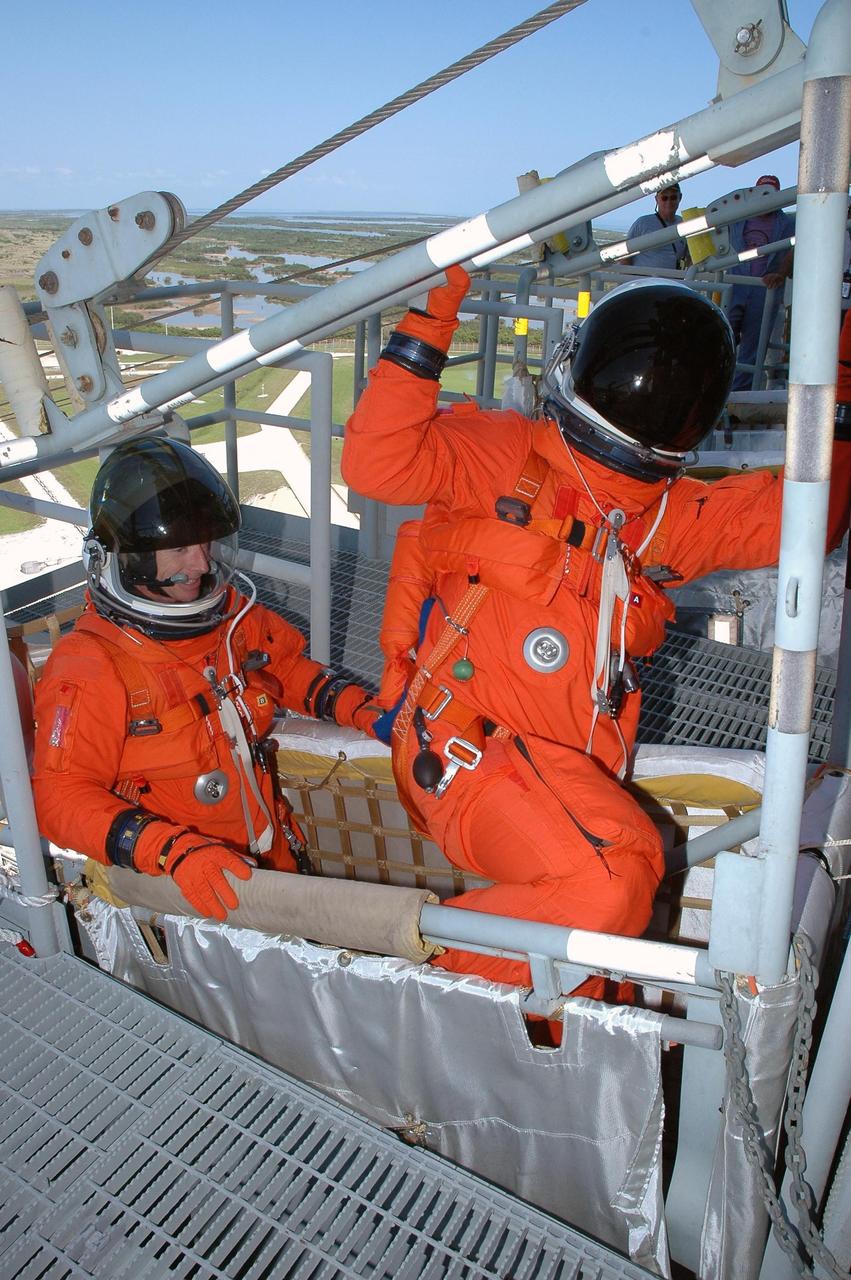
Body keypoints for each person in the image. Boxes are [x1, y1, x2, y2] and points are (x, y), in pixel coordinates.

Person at [343, 266, 851, 998]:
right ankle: (395, 994)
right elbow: (376, 462)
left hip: (558, 779)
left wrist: (840, 379)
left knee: (594, 953)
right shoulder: (510, 459)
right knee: (612, 877)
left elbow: (813, 515)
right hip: (462, 762)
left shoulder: (664, 515)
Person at [32, 438, 379, 920]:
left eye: (203, 544)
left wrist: (361, 710)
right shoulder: (91, 667)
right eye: (178, 548)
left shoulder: (229, 616)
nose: (199, 564)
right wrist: (171, 851)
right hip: (190, 889)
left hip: (270, 857)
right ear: (126, 557)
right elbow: (59, 799)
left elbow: (287, 669)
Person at [727, 174, 795, 390]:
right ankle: (718, 387)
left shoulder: (788, 223)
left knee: (754, 348)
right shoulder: (738, 218)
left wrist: (781, 274)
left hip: (766, 289)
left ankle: (738, 397)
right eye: (761, 193)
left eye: (770, 194)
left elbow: (793, 249)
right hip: (735, 284)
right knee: (724, 335)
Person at [625, 184, 687, 270]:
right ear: (657, 199)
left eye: (673, 197)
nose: (668, 202)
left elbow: (689, 257)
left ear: (680, 198)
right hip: (644, 281)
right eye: (664, 198)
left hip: (671, 282)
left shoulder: (685, 224)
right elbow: (625, 257)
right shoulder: (642, 223)